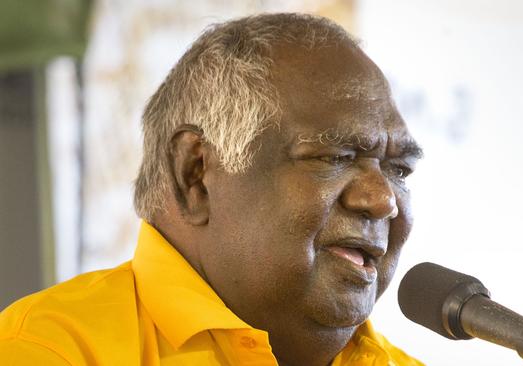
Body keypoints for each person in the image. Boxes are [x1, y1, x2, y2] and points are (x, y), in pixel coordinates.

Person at [0, 13, 423, 365]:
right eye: (334, 157)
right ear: (196, 174)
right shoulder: (52, 350)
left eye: (399, 170)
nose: (383, 199)